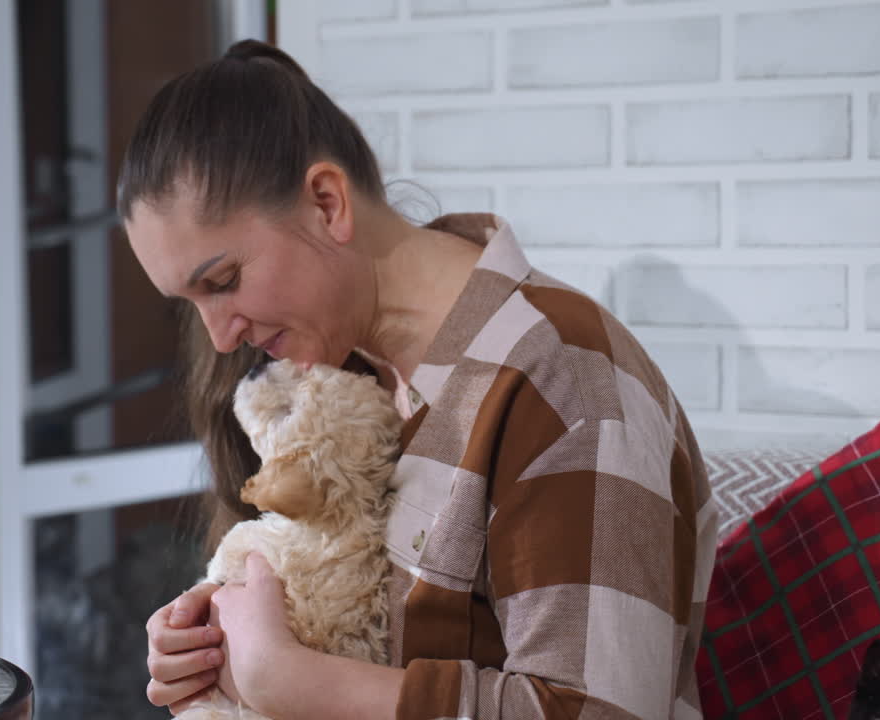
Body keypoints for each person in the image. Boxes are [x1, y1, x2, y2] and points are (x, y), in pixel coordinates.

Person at [120, 39, 718, 720]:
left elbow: (601, 714)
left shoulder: (562, 378)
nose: (220, 336)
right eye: (192, 304)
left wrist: (290, 678)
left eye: (224, 281)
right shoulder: (338, 390)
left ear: (327, 202)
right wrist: (212, 645)